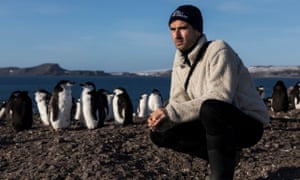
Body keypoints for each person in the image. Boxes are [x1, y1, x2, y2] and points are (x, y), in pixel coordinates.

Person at [147, 4, 270, 180]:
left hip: (247, 123)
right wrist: (163, 117)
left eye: (183, 28)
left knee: (211, 108)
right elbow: (178, 100)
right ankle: (228, 155)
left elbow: (220, 98)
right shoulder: (180, 58)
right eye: (172, 29)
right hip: (212, 120)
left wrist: (171, 111)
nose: (176, 35)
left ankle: (220, 174)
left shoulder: (219, 50)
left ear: (197, 30)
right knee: (160, 132)